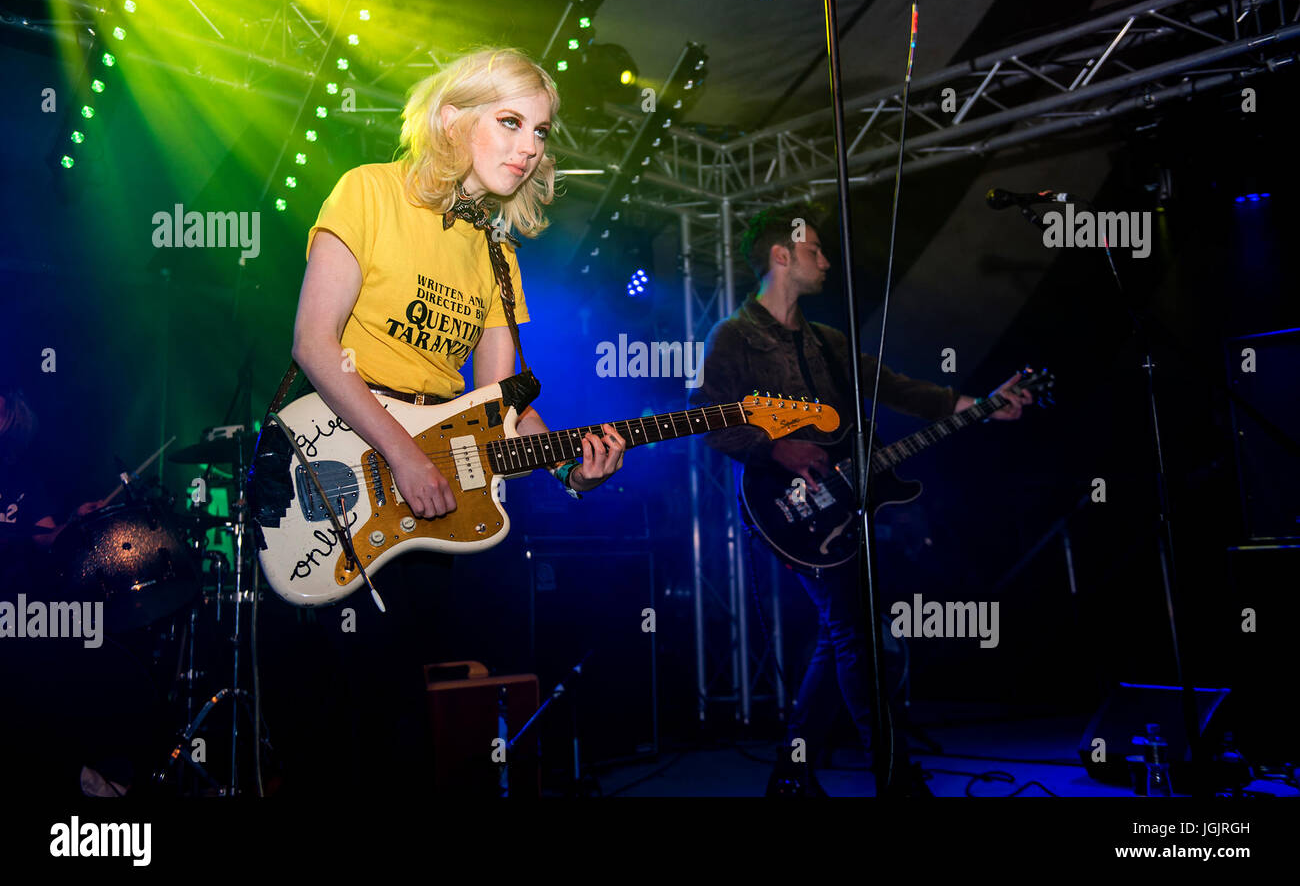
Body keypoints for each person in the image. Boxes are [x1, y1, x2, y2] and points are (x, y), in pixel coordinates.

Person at [276, 48, 628, 795]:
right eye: (510, 121)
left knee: (395, 715)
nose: (531, 145)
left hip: (426, 495)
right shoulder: (368, 192)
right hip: (340, 464)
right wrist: (403, 453)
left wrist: (571, 467)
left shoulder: (497, 254)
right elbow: (314, 342)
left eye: (540, 130)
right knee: (322, 718)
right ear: (449, 118)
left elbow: (501, 405)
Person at [690, 208, 1031, 796]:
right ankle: (893, 774)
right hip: (787, 511)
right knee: (856, 633)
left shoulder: (830, 342)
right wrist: (777, 449)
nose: (825, 261)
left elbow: (897, 387)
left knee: (842, 631)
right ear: (782, 255)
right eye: (816, 251)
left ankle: (793, 771)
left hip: (846, 507)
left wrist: (979, 402)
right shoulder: (733, 336)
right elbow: (707, 421)